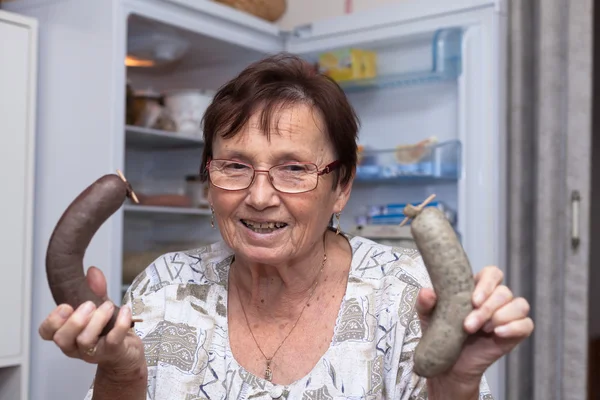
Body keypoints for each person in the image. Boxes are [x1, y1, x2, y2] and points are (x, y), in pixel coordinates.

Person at [39, 53, 533, 400]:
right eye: (234, 166)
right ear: (208, 178)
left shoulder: (408, 297)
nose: (258, 196)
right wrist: (122, 374)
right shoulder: (163, 287)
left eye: (294, 169)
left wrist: (454, 389)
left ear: (340, 187)